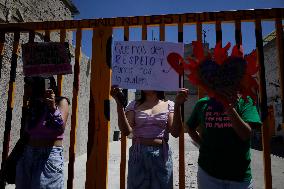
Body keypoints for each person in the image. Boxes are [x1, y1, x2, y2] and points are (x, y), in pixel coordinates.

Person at [110, 86, 188, 189]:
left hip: (161, 155)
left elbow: (175, 132)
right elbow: (126, 132)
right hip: (138, 155)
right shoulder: (133, 104)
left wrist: (178, 104)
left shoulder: (169, 105)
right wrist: (119, 104)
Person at [186, 91, 261, 189]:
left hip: (239, 175)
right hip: (208, 173)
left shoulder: (245, 100)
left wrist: (229, 107)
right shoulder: (203, 103)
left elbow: (245, 134)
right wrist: (202, 144)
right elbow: (190, 127)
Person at [15, 76, 69, 189]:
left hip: (48, 156)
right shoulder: (33, 105)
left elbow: (60, 128)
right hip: (28, 154)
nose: (26, 88)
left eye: (29, 85)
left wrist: (53, 108)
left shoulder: (61, 102)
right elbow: (27, 131)